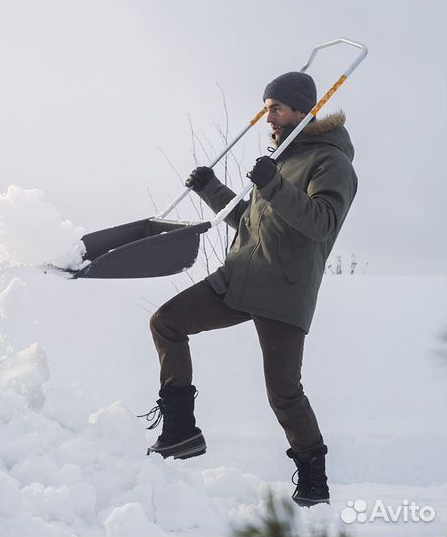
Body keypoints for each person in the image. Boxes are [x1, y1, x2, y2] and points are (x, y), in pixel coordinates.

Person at [140, 71, 358, 507]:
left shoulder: (331, 163)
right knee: (166, 322)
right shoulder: (280, 157)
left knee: (283, 391)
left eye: (275, 108)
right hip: (240, 276)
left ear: (302, 110)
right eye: (266, 108)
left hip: (282, 290)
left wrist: (273, 184)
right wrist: (210, 189)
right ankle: (182, 432)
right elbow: (253, 224)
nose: (268, 117)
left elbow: (321, 223)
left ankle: (314, 479)